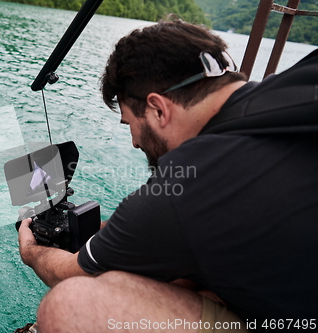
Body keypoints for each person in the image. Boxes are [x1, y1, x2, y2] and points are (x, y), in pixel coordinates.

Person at [17, 19, 318, 332]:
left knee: (70, 304)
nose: (134, 141)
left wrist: (32, 251)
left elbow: (71, 272)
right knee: (186, 278)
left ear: (158, 109)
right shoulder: (304, 75)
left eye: (129, 123)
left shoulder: (184, 187)